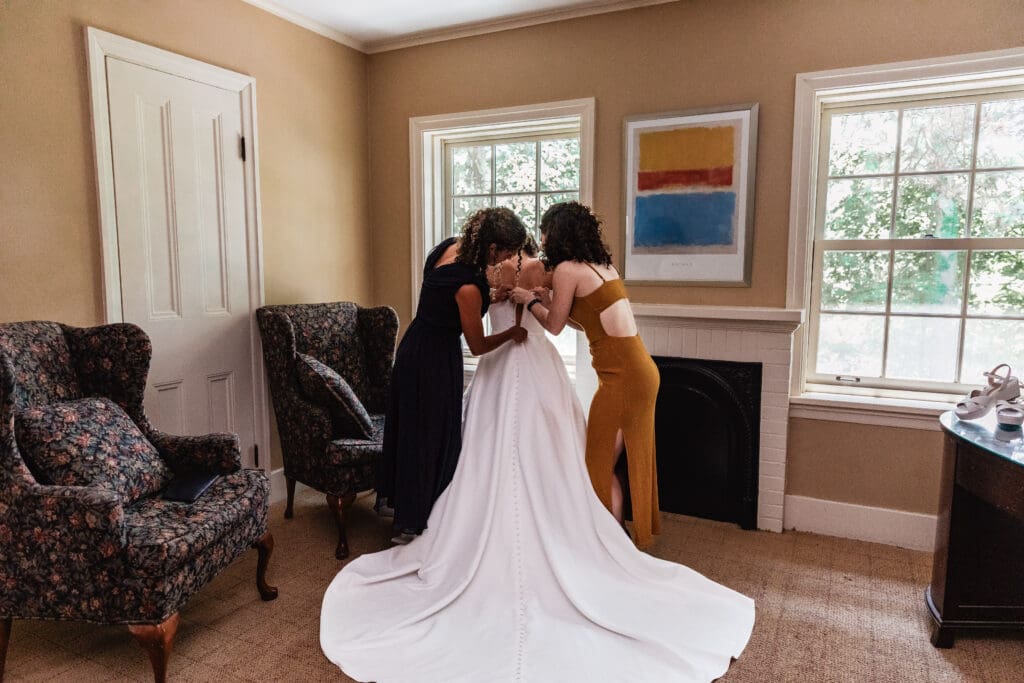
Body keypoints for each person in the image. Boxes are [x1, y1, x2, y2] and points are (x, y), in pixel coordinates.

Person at [320, 231, 755, 683]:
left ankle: (578, 530)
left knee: (538, 450)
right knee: (506, 449)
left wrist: (527, 297)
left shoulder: (515, 272)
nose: (510, 255)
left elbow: (551, 316)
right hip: (507, 366)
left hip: (522, 361)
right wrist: (523, 295)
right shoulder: (510, 273)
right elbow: (514, 313)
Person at [511, 201, 660, 548]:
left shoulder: (565, 270)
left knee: (597, 464)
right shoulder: (603, 266)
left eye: (546, 232)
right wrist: (548, 298)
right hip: (640, 372)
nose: (543, 240)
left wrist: (528, 300)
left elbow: (554, 326)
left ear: (559, 234)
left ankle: (609, 543)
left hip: (622, 378)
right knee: (612, 460)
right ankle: (618, 537)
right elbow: (592, 323)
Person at [376, 207, 527, 543]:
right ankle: (419, 521)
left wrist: (491, 296)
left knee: (412, 431)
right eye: (506, 251)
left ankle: (406, 512)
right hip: (436, 360)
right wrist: (512, 334)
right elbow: (477, 344)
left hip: (412, 347)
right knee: (434, 436)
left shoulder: (449, 247)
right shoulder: (469, 285)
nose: (508, 258)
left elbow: (443, 301)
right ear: (492, 248)